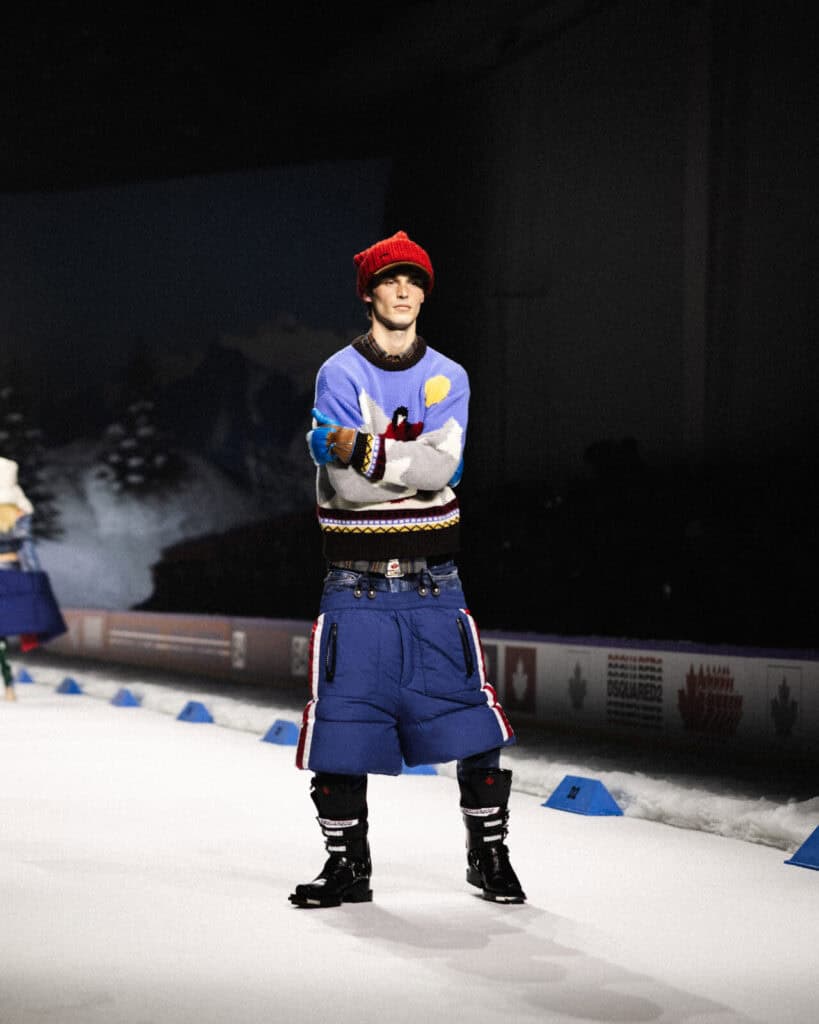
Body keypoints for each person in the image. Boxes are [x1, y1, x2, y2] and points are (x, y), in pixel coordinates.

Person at [289, 230, 525, 908]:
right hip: (354, 583)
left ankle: (489, 857)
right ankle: (347, 868)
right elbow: (351, 489)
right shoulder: (338, 373)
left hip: (432, 581)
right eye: (389, 280)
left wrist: (360, 449)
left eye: (414, 280)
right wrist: (408, 467)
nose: (402, 291)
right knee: (342, 730)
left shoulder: (449, 375)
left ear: (424, 293)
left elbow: (442, 467)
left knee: (470, 724)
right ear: (368, 293)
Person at [0, 457, 67, 700]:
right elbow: (27, 549)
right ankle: (8, 686)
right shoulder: (19, 513)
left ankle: (8, 684)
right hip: (12, 574)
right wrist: (34, 576)